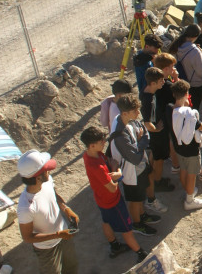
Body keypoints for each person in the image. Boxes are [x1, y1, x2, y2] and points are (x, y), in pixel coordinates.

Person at [79, 127, 149, 262]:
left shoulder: (89, 154)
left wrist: (114, 170)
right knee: (127, 229)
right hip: (113, 201)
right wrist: (118, 174)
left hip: (101, 200)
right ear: (92, 145)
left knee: (106, 222)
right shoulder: (98, 167)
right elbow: (112, 187)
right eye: (101, 141)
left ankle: (114, 245)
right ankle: (141, 253)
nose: (104, 142)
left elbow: (111, 161)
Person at [16, 149, 78, 274]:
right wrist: (58, 234)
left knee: (72, 267)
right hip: (47, 249)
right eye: (46, 169)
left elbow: (53, 195)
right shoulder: (25, 207)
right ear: (38, 177)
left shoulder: (47, 181)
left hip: (64, 238)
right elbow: (27, 237)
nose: (49, 170)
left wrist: (66, 209)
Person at [111, 93, 162, 236]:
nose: (138, 113)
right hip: (131, 173)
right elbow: (134, 158)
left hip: (139, 169)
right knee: (134, 200)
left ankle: (142, 215)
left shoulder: (128, 120)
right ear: (125, 112)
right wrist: (141, 142)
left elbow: (144, 132)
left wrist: (140, 142)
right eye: (135, 111)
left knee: (140, 197)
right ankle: (137, 223)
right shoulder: (120, 134)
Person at [171, 80, 202, 210]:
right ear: (187, 94)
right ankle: (190, 200)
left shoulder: (169, 109)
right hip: (191, 149)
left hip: (178, 148)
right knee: (192, 174)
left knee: (183, 169)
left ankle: (188, 190)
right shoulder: (189, 113)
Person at [140, 67, 175, 194]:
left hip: (155, 135)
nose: (163, 82)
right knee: (159, 159)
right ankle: (158, 182)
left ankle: (151, 174)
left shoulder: (147, 91)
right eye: (161, 81)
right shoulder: (148, 100)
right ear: (153, 83)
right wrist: (156, 130)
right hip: (157, 135)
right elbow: (147, 123)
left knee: (154, 155)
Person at [169, 24, 202, 110]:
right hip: (195, 84)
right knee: (194, 108)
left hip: (182, 80)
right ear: (196, 36)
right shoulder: (195, 51)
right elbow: (201, 71)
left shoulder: (177, 45)